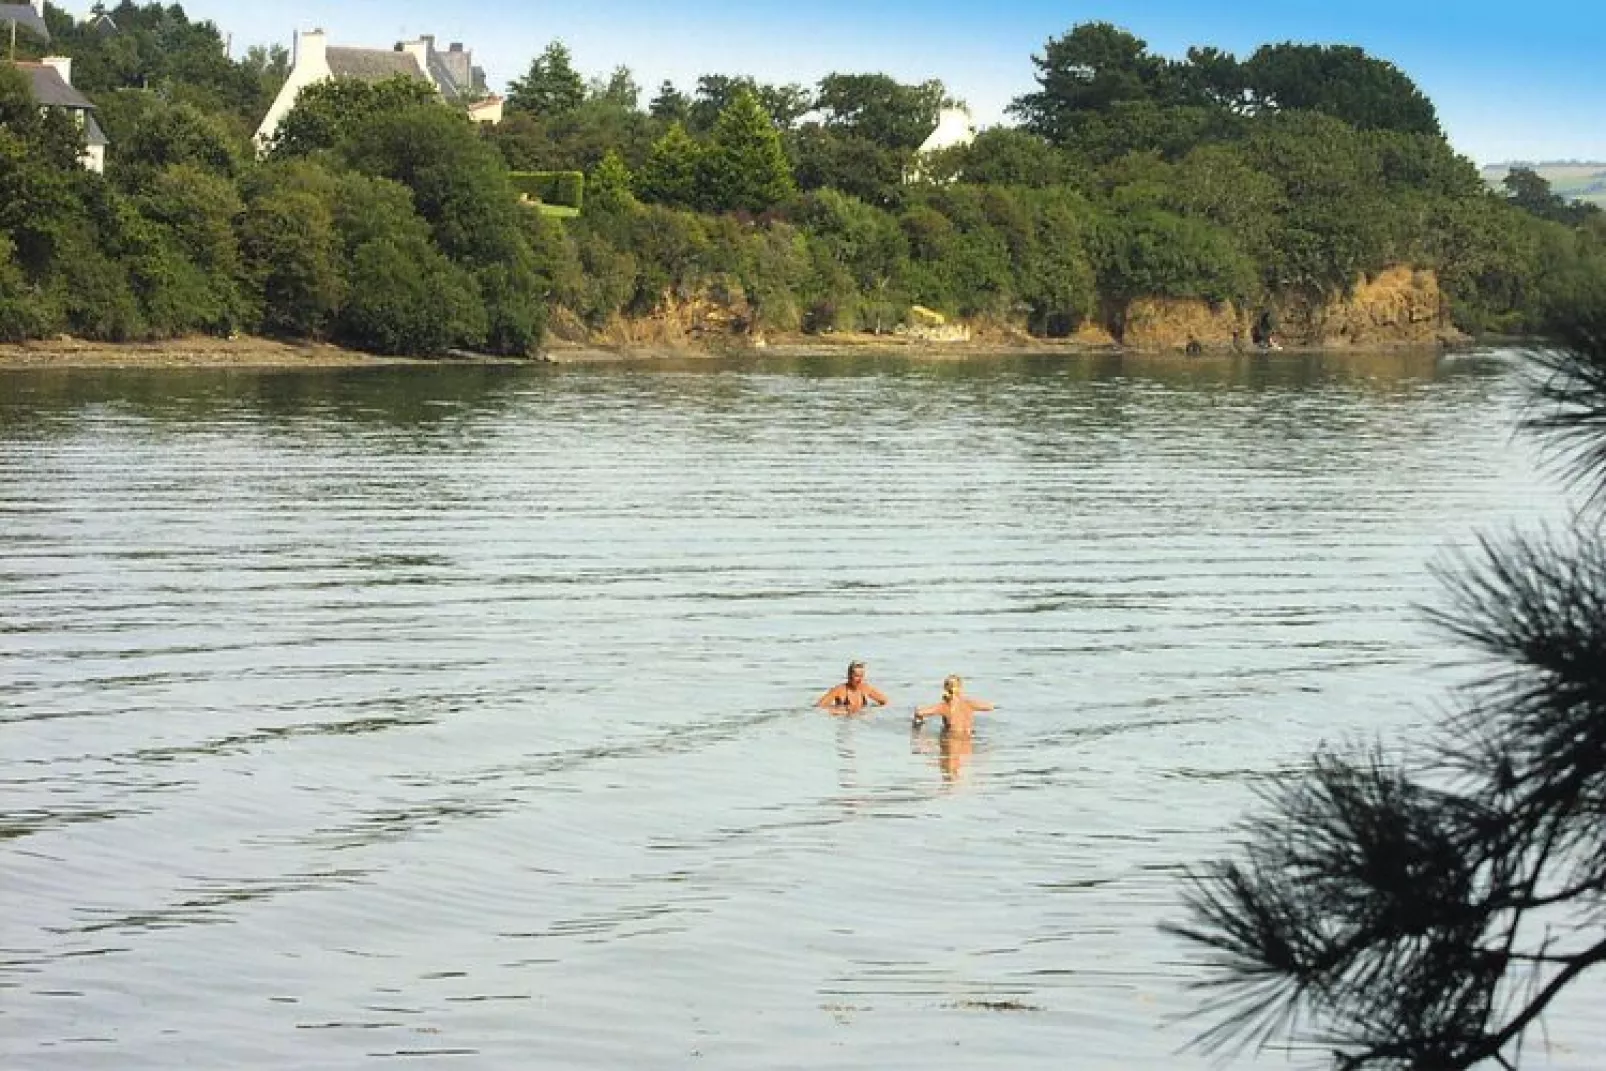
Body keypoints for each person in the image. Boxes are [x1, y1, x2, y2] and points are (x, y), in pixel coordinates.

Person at [911, 674, 994, 736]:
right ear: (960, 688)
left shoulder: (944, 706)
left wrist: (919, 722)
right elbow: (989, 707)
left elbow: (919, 712)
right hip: (968, 744)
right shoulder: (970, 704)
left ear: (945, 688)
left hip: (951, 741)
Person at [816, 660, 888, 714]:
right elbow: (819, 707)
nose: (860, 679)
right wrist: (836, 711)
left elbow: (885, 702)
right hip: (844, 721)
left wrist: (871, 711)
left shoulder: (866, 688)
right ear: (849, 676)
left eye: (862, 676)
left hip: (861, 721)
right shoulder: (839, 690)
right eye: (856, 676)